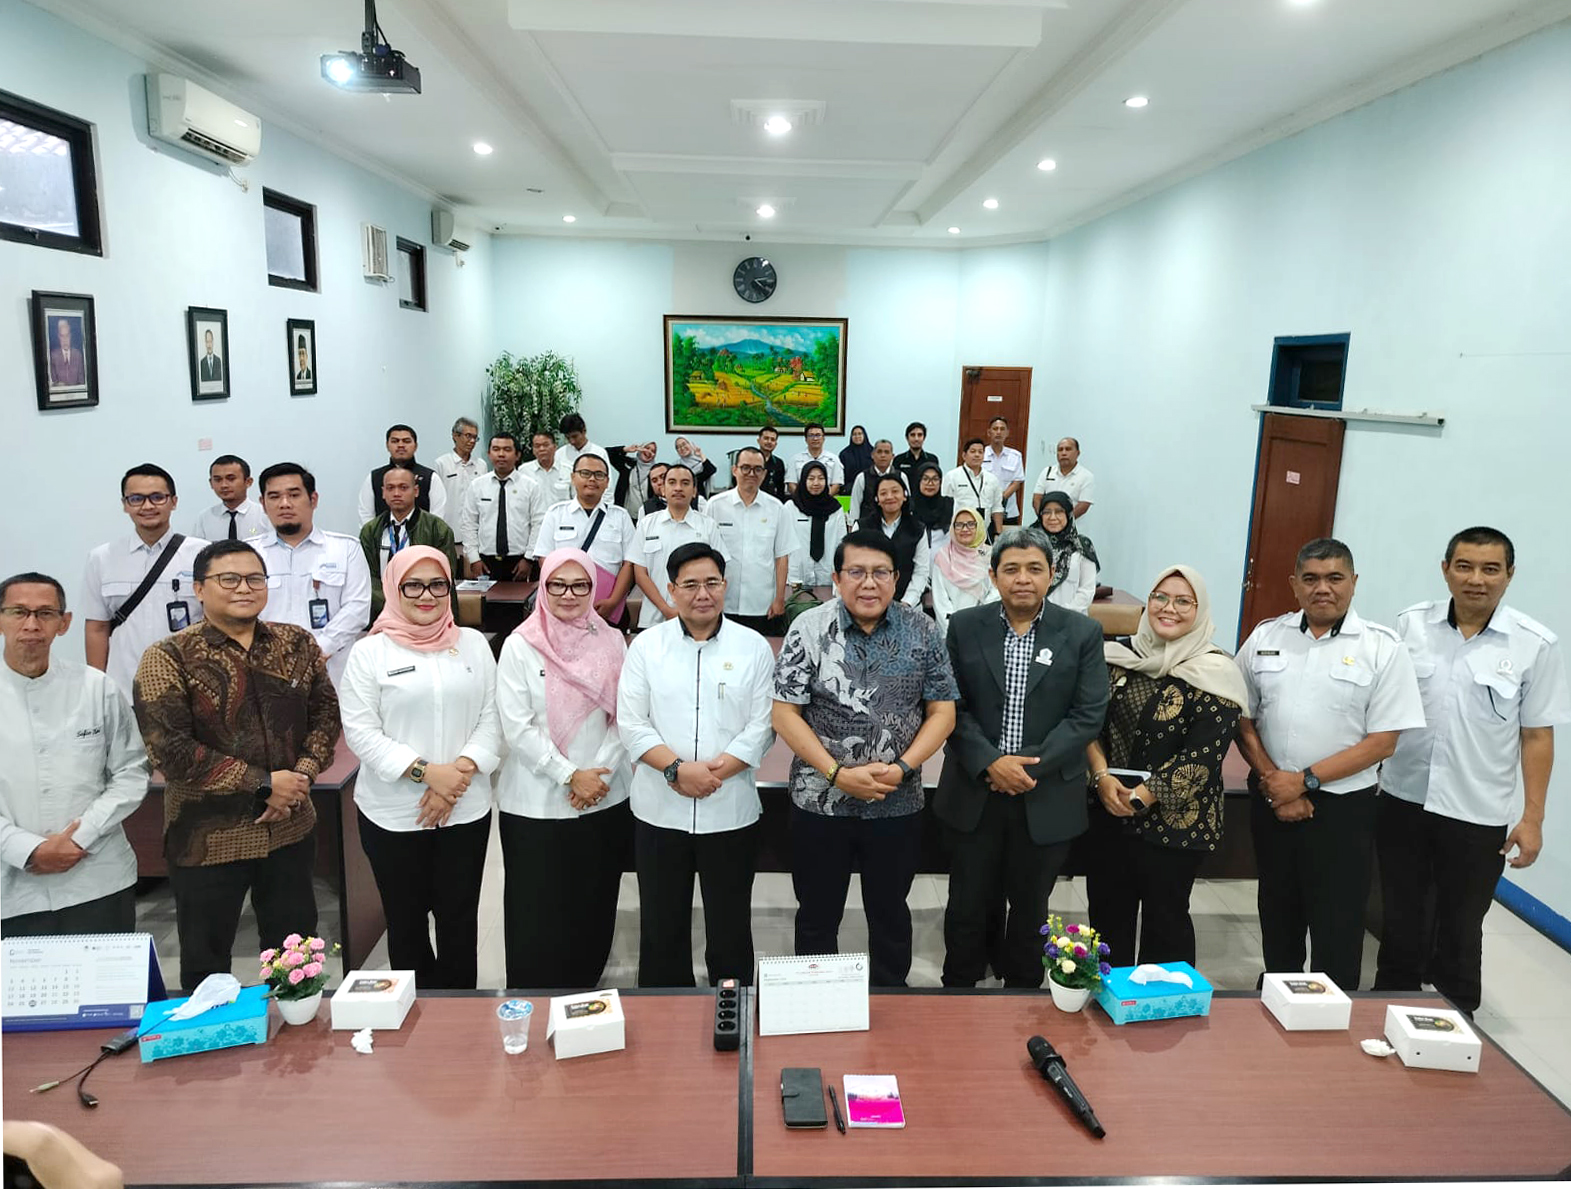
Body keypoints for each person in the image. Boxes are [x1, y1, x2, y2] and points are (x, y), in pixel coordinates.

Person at [1374, 527, 1570, 1016]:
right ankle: (1386, 1011)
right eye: (1464, 567)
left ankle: (1456, 1022)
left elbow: (1537, 736)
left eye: (1490, 569)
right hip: (1403, 799)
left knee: (1462, 927)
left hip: (1476, 811)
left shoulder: (1534, 645)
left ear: (1509, 576)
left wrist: (1533, 818)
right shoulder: (1409, 626)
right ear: (1445, 570)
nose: (1476, 580)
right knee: (1400, 919)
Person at [132, 540, 340, 991]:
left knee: (296, 961)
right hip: (208, 839)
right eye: (229, 579)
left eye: (255, 578)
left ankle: (297, 1052)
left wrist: (300, 778)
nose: (244, 588)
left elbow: (325, 716)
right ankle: (211, 1051)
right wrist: (264, 785)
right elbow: (170, 750)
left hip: (289, 831)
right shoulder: (167, 657)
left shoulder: (296, 643)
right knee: (206, 969)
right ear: (199, 589)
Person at [1235, 538, 1425, 991]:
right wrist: (1272, 781)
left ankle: (1332, 1007)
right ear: (1295, 585)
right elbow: (1239, 715)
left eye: (1335, 578)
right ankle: (1278, 993)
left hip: (1341, 810)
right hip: (1270, 799)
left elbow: (1384, 741)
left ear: (1354, 583)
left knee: (1338, 919)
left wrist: (1303, 782)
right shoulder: (1266, 636)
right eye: (1312, 579)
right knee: (1277, 908)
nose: (1324, 588)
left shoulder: (1383, 648)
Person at [773, 530, 958, 986]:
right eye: (856, 572)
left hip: (897, 801)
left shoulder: (923, 630)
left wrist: (902, 768)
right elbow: (785, 714)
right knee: (817, 911)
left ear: (896, 579)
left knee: (891, 911)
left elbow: (943, 711)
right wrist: (836, 773)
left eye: (880, 573)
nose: (868, 583)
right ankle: (813, 997)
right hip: (820, 801)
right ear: (836, 577)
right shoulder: (810, 627)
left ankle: (892, 999)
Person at [935, 527, 1109, 987]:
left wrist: (1025, 766)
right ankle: (959, 989)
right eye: (1011, 569)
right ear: (993, 576)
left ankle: (1022, 993)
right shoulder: (965, 626)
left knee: (1032, 906)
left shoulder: (1083, 632)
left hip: (1045, 792)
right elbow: (951, 706)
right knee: (968, 903)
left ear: (1052, 574)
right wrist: (992, 762)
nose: (1023, 579)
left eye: (1035, 568)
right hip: (976, 790)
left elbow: (1087, 715)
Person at [339, 546, 500, 990]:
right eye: (413, 584)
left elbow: (492, 717)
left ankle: (460, 1015)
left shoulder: (473, 645)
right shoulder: (369, 653)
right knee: (405, 921)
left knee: (459, 918)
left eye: (437, 584)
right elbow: (361, 732)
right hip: (393, 815)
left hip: (465, 809)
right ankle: (415, 1020)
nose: (426, 595)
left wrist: (456, 777)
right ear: (393, 588)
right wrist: (429, 775)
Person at [618, 543, 776, 986]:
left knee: (729, 928)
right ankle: (665, 1025)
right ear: (671, 590)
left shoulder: (753, 647)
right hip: (659, 813)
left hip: (730, 811)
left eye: (711, 583)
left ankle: (731, 1018)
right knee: (661, 926)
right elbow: (632, 722)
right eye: (689, 584)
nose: (701, 593)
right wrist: (676, 770)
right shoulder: (647, 647)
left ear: (725, 586)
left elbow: (763, 726)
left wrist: (713, 773)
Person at [1084, 565, 1247, 967]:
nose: (1168, 608)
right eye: (1159, 597)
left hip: (1176, 822)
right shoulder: (1118, 656)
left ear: (1201, 609)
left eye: (1182, 601)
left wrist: (1141, 797)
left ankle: (1160, 1016)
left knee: (1165, 920)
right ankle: (1105, 1002)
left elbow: (1203, 755)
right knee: (1106, 918)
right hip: (1109, 812)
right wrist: (1103, 779)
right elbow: (1089, 725)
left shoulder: (1216, 670)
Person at [495, 548, 633, 989]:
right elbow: (517, 728)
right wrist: (569, 775)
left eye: (580, 585)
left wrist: (597, 773)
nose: (569, 594)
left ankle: (586, 983)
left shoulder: (613, 641)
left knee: (593, 898)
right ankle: (534, 996)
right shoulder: (520, 644)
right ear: (544, 585)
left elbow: (626, 717)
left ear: (594, 589)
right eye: (557, 584)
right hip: (534, 802)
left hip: (604, 794)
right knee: (535, 905)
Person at [1, 572, 147, 938]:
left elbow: (130, 772)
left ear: (63, 623)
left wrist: (81, 837)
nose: (32, 624)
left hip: (97, 879)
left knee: (107, 992)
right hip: (10, 886)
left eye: (45, 613)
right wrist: (26, 849)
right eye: (18, 612)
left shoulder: (95, 688)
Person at [80, 464, 207, 697]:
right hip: (125, 688)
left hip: (190, 687)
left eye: (157, 497)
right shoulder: (102, 558)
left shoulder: (203, 554)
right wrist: (96, 689)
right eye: (136, 498)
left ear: (174, 501)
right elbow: (97, 628)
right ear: (125, 505)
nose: (147, 506)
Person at [254, 463, 372, 687]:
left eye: (294, 494)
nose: (284, 503)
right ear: (263, 503)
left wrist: (317, 649)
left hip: (331, 672)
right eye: (274, 496)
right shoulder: (249, 554)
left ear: (313, 499)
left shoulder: (346, 549)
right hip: (266, 671)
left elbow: (357, 609)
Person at [531, 447, 637, 626]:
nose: (592, 479)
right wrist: (565, 594)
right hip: (565, 603)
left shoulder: (620, 516)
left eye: (599, 475)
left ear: (607, 482)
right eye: (585, 473)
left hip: (607, 605)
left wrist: (613, 601)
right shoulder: (556, 513)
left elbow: (629, 563)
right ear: (573, 478)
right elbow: (545, 559)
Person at [707, 447, 795, 634]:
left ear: (764, 474)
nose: (751, 474)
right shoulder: (715, 506)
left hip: (762, 605)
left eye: (757, 469)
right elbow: (706, 556)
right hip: (723, 602)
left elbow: (781, 558)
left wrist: (779, 599)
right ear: (734, 470)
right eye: (745, 468)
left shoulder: (777, 509)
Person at [359, 462, 460, 620]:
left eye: (403, 487)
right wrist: (394, 603)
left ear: (416, 491)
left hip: (427, 608)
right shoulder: (370, 531)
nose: (397, 493)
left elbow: (445, 575)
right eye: (390, 488)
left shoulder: (437, 528)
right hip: (383, 612)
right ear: (383, 493)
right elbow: (367, 578)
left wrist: (413, 599)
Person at [629, 463, 720, 629]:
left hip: (697, 618)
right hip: (652, 618)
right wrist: (666, 609)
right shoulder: (646, 524)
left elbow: (717, 572)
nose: (678, 488)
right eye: (672, 482)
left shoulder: (708, 525)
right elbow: (640, 572)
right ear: (663, 489)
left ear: (694, 491)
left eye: (685, 483)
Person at [460, 433, 543, 582]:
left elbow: (538, 524)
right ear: (489, 454)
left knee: (520, 604)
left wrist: (529, 559)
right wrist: (474, 559)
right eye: (496, 449)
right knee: (488, 604)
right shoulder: (477, 486)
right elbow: (469, 524)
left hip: (521, 561)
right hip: (485, 561)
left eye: (507, 449)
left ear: (517, 455)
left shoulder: (530, 486)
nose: (501, 454)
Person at [356, 424, 447, 525]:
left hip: (422, 540)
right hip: (382, 539)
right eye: (395, 441)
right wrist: (373, 538)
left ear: (416, 446)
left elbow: (438, 516)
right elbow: (366, 514)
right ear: (387, 445)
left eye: (406, 441)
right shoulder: (374, 477)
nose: (401, 445)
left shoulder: (430, 478)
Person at [861, 474, 930, 608]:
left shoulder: (917, 529)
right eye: (883, 493)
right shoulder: (863, 526)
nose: (890, 497)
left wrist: (907, 602)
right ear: (877, 499)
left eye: (895, 491)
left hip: (908, 604)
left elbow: (921, 570)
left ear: (904, 495)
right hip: (869, 603)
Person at [930, 507, 997, 635]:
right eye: (959, 525)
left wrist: (980, 622)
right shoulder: (943, 556)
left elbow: (996, 591)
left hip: (985, 628)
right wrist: (955, 630)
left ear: (979, 527)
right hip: (951, 631)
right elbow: (940, 600)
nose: (965, 529)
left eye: (971, 524)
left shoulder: (990, 556)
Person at [787, 461, 848, 590]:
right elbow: (783, 543)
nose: (816, 483)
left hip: (827, 575)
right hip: (796, 576)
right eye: (811, 478)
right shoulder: (791, 507)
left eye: (821, 478)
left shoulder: (835, 508)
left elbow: (841, 544)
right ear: (803, 480)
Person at [1037, 492, 1098, 613]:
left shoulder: (1081, 545)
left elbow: (1087, 590)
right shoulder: (1031, 543)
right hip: (1032, 619)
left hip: (1071, 619)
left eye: (1059, 512)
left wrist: (1062, 615)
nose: (1052, 517)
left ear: (1069, 514)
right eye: (1047, 512)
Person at [431, 417, 489, 535]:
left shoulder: (481, 465)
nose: (472, 441)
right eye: (468, 436)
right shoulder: (442, 463)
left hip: (476, 532)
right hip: (449, 531)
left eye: (475, 437)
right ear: (455, 436)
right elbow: (436, 500)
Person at [194, 455, 270, 542]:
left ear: (248, 482)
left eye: (231, 479)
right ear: (211, 483)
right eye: (218, 480)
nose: (224, 485)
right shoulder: (204, 518)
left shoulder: (264, 515)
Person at [943, 438, 1005, 539]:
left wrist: (998, 533)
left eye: (980, 452)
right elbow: (945, 507)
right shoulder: (952, 476)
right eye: (973, 451)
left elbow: (997, 508)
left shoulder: (992, 479)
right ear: (964, 455)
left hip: (984, 532)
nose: (977, 455)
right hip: (960, 532)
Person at [847, 438, 908, 528]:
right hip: (868, 527)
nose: (883, 455)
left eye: (886, 452)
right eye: (879, 452)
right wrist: (852, 527)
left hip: (896, 526)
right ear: (872, 455)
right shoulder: (862, 477)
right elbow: (855, 506)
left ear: (893, 456)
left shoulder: (901, 477)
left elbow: (907, 503)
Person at [1032, 436, 1095, 522]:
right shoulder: (1047, 472)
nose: (1063, 453)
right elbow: (1037, 498)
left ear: (1078, 453)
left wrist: (1063, 521)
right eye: (1060, 450)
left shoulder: (1086, 476)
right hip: (1047, 525)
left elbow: (1084, 505)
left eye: (1068, 449)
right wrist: (1044, 518)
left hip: (1075, 526)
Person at [983, 416, 1025, 525]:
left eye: (1002, 429)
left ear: (1007, 433)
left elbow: (1017, 482)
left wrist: (1001, 498)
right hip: (984, 508)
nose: (998, 432)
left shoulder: (1015, 456)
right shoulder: (981, 454)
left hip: (1008, 511)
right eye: (995, 429)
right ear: (989, 432)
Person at [522, 429, 573, 512]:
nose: (541, 449)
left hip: (562, 520)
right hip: (536, 521)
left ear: (555, 447)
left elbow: (576, 499)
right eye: (537, 446)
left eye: (546, 445)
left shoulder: (568, 471)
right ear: (533, 450)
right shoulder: (524, 471)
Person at [786, 423, 845, 494]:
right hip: (801, 502)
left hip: (826, 502)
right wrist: (801, 500)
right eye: (811, 435)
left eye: (818, 435)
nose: (815, 438)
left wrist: (825, 500)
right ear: (805, 439)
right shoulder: (795, 459)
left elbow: (836, 484)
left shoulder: (834, 459)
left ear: (823, 438)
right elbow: (791, 484)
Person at [909, 460, 954, 553]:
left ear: (940, 482)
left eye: (935, 479)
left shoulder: (949, 504)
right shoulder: (908, 505)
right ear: (918, 481)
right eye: (925, 479)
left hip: (943, 560)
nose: (930, 483)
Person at [610, 441, 661, 519]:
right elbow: (606, 454)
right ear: (640, 449)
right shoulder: (628, 465)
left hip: (647, 517)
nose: (649, 452)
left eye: (653, 451)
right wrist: (626, 449)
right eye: (647, 448)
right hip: (625, 517)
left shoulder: (655, 472)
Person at [893, 421, 938, 488]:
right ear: (907, 438)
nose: (916, 439)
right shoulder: (899, 460)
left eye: (919, 435)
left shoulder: (932, 459)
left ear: (924, 438)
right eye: (912, 435)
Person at [48, 317, 86, 387]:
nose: (65, 340)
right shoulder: (53, 356)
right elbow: (52, 382)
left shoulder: (78, 355)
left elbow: (82, 382)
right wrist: (57, 385)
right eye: (62, 336)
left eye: (67, 336)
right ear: (59, 337)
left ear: (70, 336)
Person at [757, 425, 788, 501]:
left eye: (772, 439)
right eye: (766, 438)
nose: (769, 442)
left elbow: (780, 489)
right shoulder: (750, 459)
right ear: (758, 440)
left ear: (776, 444)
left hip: (772, 503)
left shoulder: (778, 463)